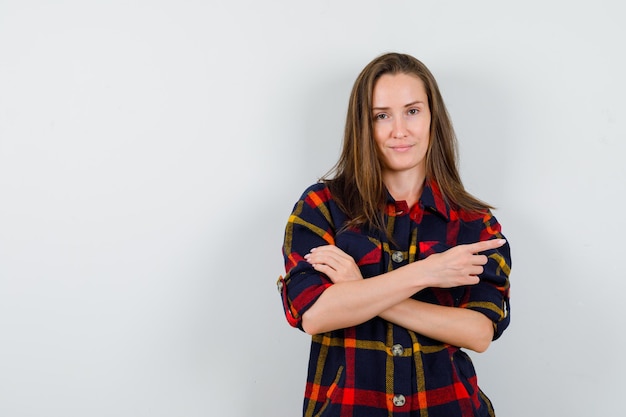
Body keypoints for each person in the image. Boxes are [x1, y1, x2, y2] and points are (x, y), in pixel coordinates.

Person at [277, 52, 512, 417]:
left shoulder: (474, 222)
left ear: (433, 117)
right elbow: (315, 314)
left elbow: (479, 332)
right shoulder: (321, 206)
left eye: (412, 111)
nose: (399, 130)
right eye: (381, 115)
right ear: (363, 125)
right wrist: (427, 273)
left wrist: (360, 291)